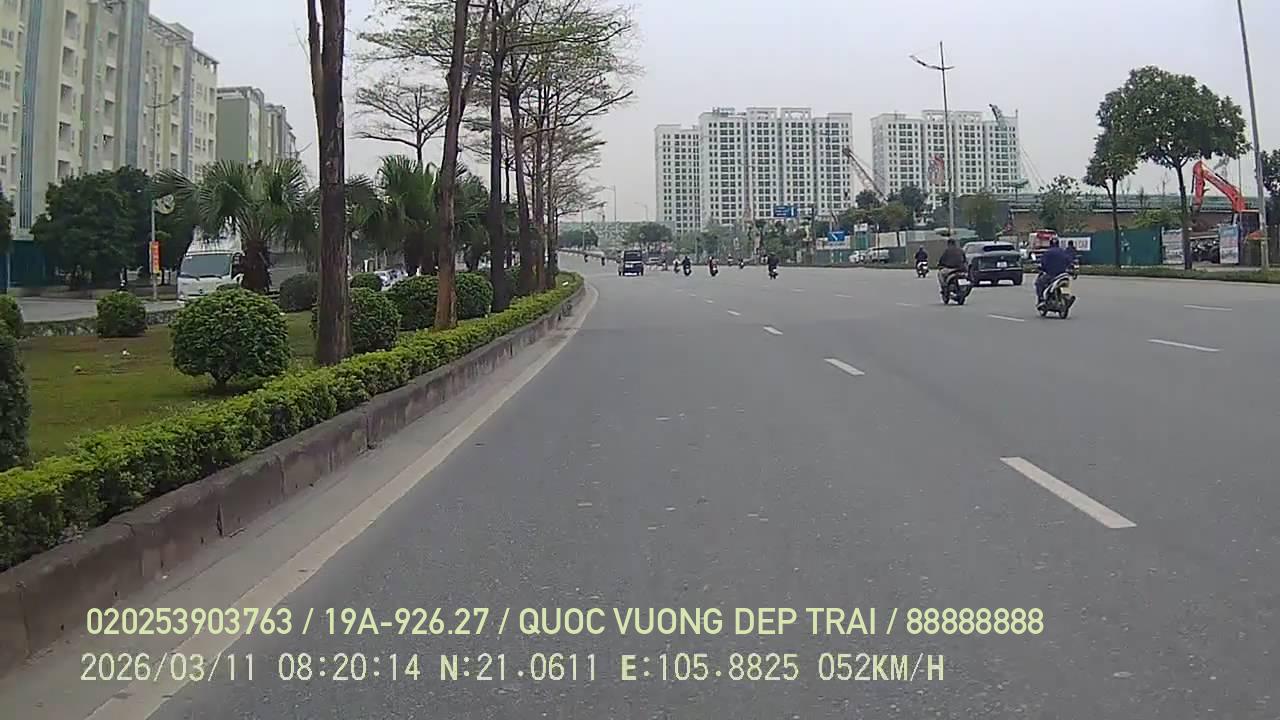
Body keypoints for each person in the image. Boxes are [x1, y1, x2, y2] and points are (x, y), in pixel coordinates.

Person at [1035, 238, 1073, 306]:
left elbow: (1043, 263)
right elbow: (1069, 261)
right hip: (1063, 274)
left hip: (1051, 275)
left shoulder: (1047, 252)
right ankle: (1066, 297)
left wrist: (1042, 268)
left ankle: (1041, 299)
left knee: (1039, 283)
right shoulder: (1063, 251)